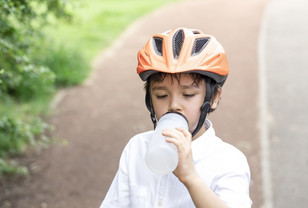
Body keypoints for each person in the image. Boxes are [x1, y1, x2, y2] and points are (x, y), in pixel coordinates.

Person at [100, 28, 252, 208]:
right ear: (149, 99)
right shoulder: (137, 149)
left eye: (188, 95)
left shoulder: (228, 161)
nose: (173, 105)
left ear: (213, 97)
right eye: (161, 96)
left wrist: (190, 178)